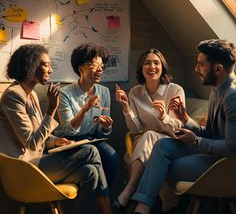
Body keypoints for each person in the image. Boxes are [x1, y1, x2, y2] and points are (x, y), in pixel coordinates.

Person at [0, 44, 113, 214]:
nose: (50, 70)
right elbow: (31, 143)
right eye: (46, 64)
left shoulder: (30, 95)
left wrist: (55, 141)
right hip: (23, 170)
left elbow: (39, 135)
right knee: (90, 151)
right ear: (30, 65)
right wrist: (51, 109)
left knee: (90, 172)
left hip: (36, 162)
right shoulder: (13, 95)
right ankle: (107, 211)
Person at [132, 39, 236, 214]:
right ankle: (143, 207)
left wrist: (195, 141)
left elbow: (233, 148)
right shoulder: (216, 90)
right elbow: (210, 133)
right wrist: (185, 118)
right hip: (212, 153)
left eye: (200, 65)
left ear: (218, 69)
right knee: (162, 146)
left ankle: (144, 207)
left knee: (163, 165)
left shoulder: (232, 97)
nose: (196, 69)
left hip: (224, 164)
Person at [113, 48, 185, 210]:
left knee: (150, 135)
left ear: (162, 67)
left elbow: (178, 128)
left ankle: (130, 190)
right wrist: (126, 106)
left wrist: (162, 116)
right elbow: (135, 128)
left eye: (156, 63)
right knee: (147, 136)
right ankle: (141, 202)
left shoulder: (175, 90)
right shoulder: (135, 92)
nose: (152, 66)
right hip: (143, 140)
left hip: (169, 141)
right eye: (147, 63)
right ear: (141, 68)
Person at [55, 42, 117, 188]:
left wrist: (106, 126)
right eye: (94, 65)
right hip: (68, 141)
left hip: (91, 139)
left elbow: (102, 132)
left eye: (102, 66)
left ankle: (102, 197)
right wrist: (85, 109)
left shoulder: (104, 92)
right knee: (94, 159)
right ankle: (103, 204)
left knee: (111, 156)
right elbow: (69, 129)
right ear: (81, 68)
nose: (99, 70)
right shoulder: (64, 93)